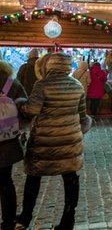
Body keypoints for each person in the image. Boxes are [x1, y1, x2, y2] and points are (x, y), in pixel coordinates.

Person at [16, 52, 90, 230]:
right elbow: (82, 115)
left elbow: (32, 109)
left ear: (48, 65)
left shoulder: (42, 85)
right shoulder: (77, 86)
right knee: (70, 177)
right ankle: (68, 220)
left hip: (45, 140)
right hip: (70, 139)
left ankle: (25, 217)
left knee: (33, 177)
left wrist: (20, 105)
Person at [0, 60, 26, 230]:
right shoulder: (12, 83)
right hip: (6, 142)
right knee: (5, 181)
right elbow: (26, 109)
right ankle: (8, 221)